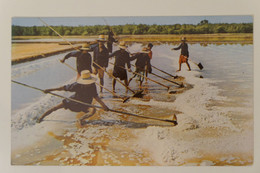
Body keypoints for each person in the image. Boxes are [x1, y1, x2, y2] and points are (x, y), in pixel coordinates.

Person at [36, 70, 109, 125]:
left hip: (85, 104)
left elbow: (96, 97)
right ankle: (41, 117)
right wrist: (49, 90)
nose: (88, 84)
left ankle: (81, 119)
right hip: (73, 101)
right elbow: (63, 88)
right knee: (55, 108)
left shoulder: (92, 85)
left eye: (89, 82)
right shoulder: (77, 85)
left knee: (93, 110)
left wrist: (104, 106)